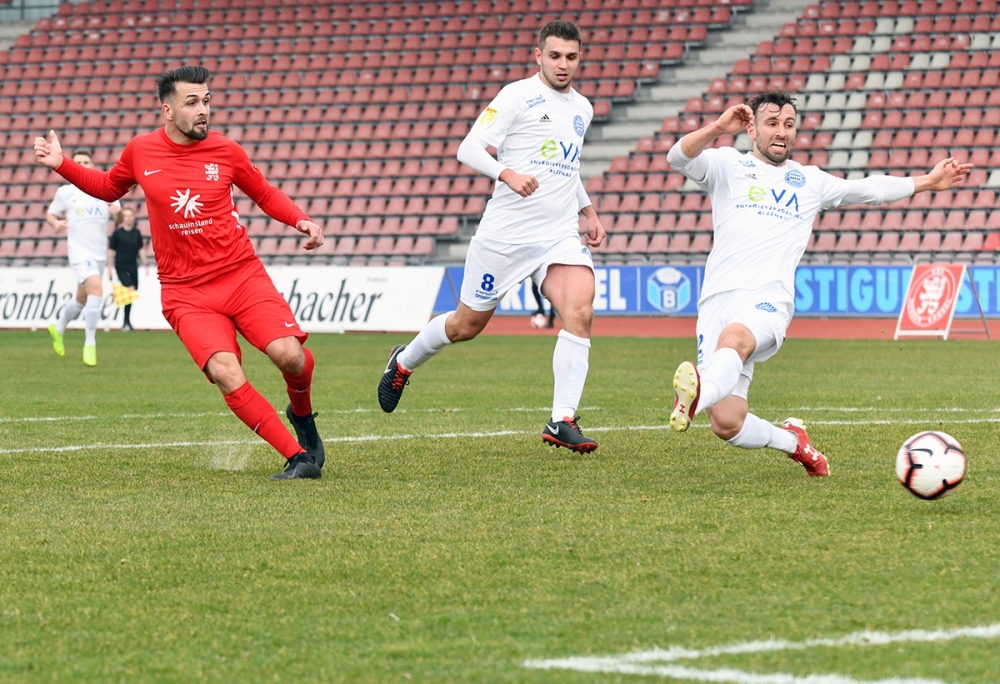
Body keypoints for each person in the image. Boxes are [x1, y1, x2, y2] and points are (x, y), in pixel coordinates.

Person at [34, 65, 328, 481]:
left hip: (241, 275)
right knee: (225, 372)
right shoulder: (141, 151)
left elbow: (264, 193)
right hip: (186, 292)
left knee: (290, 357)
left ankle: (302, 415)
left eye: (206, 100)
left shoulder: (226, 151)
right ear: (168, 110)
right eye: (192, 102)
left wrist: (301, 220)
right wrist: (62, 164)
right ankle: (298, 457)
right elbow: (107, 188)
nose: (203, 110)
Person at [666, 90, 972, 476]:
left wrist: (928, 181)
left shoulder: (809, 181)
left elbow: (869, 190)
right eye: (772, 123)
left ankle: (697, 396)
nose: (781, 132)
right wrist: (717, 127)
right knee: (727, 422)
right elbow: (676, 158)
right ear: (752, 129)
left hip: (767, 300)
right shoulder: (727, 164)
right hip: (715, 300)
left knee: (735, 339)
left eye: (789, 124)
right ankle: (794, 442)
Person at [377, 20, 607, 453]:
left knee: (580, 310)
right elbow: (467, 148)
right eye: (554, 56)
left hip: (557, 235)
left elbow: (567, 166)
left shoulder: (583, 108)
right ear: (538, 56)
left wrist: (587, 210)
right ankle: (403, 362)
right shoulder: (516, 96)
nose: (563, 64)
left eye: (571, 57)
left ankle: (562, 419)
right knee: (465, 325)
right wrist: (507, 173)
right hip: (506, 236)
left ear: (580, 59)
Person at [45, 148, 123, 366]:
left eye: (85, 162)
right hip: (79, 252)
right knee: (96, 290)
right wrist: (56, 223)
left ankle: (58, 327)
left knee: (81, 299)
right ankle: (90, 343)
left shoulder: (104, 187)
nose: (82, 166)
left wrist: (116, 211)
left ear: (92, 165)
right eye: (77, 162)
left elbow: (119, 220)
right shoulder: (65, 192)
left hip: (98, 254)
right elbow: (50, 214)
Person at [107, 206, 149, 332]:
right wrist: (109, 268)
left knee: (130, 293)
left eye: (130, 216)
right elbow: (111, 251)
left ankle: (126, 322)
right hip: (121, 266)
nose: (128, 218)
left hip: (133, 266)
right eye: (126, 216)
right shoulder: (117, 234)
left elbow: (140, 249)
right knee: (129, 288)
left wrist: (145, 264)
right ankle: (126, 322)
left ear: (134, 218)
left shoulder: (137, 233)